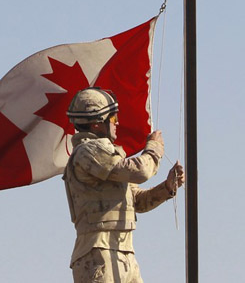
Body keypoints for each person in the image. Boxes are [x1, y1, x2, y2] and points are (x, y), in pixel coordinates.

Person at [63, 87, 185, 283]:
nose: (117, 123)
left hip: (124, 252)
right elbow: (140, 171)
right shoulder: (89, 151)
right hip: (98, 255)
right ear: (96, 123)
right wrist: (154, 149)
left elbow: (137, 201)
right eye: (112, 118)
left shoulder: (108, 156)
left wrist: (167, 188)